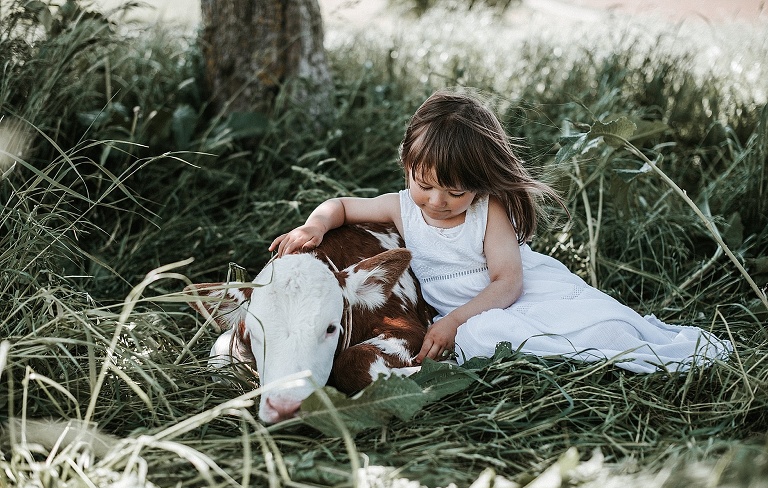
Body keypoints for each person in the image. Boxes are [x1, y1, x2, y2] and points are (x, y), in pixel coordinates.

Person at [269, 89, 731, 372]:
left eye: (454, 191)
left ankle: (654, 346)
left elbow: (508, 280)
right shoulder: (402, 208)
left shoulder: (487, 212)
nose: (437, 202)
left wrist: (450, 320)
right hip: (476, 316)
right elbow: (344, 206)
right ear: (406, 165)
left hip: (515, 292)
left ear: (480, 183)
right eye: (424, 184)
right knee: (480, 341)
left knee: (593, 324)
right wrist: (315, 224)